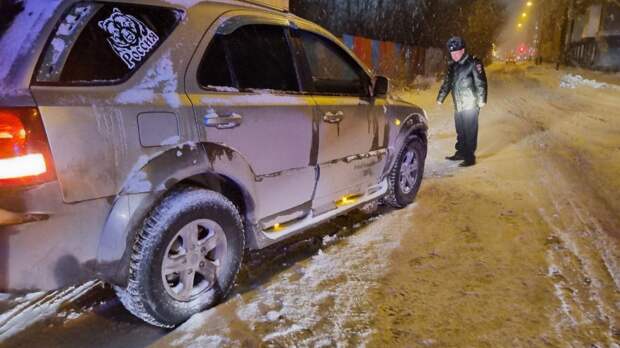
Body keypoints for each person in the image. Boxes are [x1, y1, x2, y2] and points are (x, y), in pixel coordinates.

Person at [437, 36, 487, 167]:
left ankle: (470, 157)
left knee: (470, 131)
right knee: (460, 130)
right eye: (452, 52)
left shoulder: (473, 63)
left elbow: (481, 83)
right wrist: (440, 98)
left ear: (463, 50)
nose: (454, 55)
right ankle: (460, 152)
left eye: (456, 52)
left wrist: (481, 100)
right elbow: (447, 83)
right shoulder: (452, 66)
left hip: (471, 104)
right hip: (458, 104)